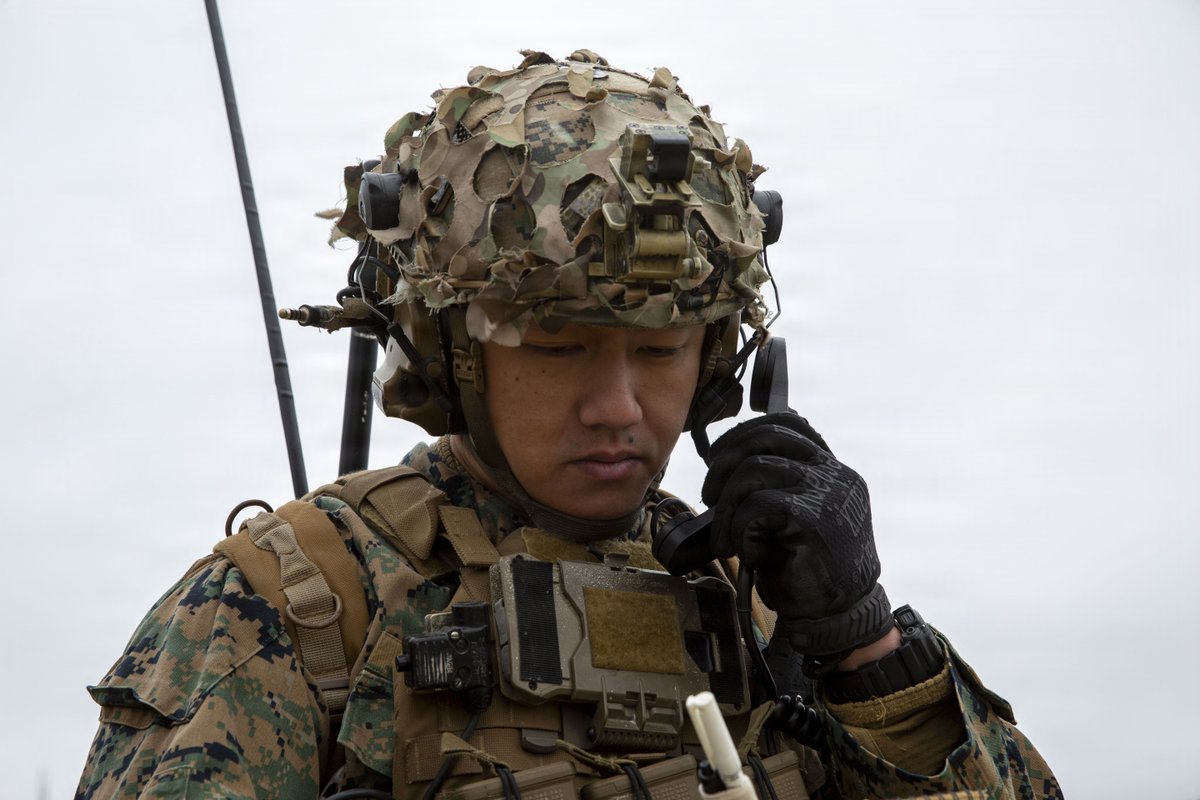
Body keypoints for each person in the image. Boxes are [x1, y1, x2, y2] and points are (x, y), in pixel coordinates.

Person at [76, 50, 1061, 799]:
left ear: (718, 361)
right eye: (556, 345)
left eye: (662, 349)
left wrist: (863, 647)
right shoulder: (297, 609)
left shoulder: (760, 609)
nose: (619, 407)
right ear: (454, 355)